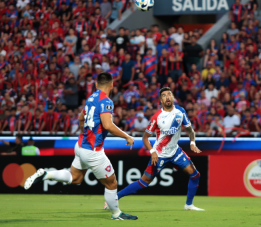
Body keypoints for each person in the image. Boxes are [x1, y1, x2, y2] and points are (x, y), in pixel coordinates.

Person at [24, 72, 137, 220]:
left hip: (80, 146)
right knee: (112, 183)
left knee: (75, 178)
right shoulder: (106, 101)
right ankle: (116, 214)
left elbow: (80, 118)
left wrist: (86, 131)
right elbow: (108, 125)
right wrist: (127, 136)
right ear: (112, 85)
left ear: (96, 85)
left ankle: (46, 174)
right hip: (93, 151)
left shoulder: (90, 98)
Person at [108, 87, 204, 211]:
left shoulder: (181, 112)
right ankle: (115, 197)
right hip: (160, 155)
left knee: (195, 175)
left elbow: (191, 130)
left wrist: (192, 142)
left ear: (173, 97)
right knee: (144, 182)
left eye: (169, 94)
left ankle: (189, 205)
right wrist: (153, 152)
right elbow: (145, 138)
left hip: (175, 152)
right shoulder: (157, 117)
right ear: (161, 100)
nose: (167, 97)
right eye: (164, 95)